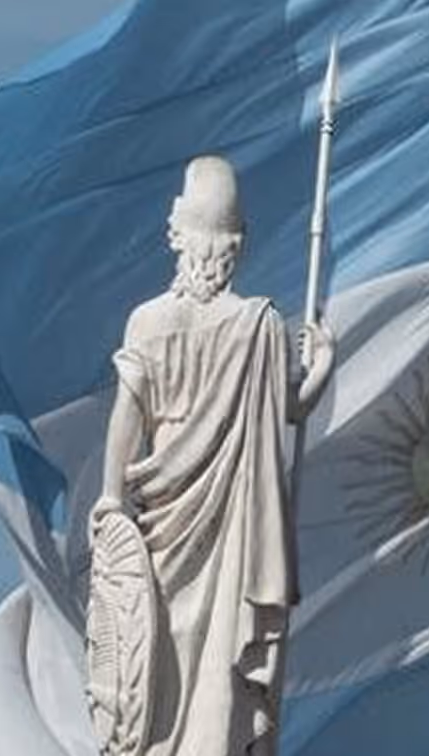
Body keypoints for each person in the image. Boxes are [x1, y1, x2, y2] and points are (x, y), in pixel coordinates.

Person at [87, 155, 334, 756]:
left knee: (162, 654)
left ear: (178, 235)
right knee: (217, 654)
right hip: (230, 527)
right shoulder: (258, 326)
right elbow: (292, 409)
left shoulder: (148, 322)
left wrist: (112, 495)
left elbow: (129, 415)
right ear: (236, 243)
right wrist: (323, 364)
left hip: (161, 519)